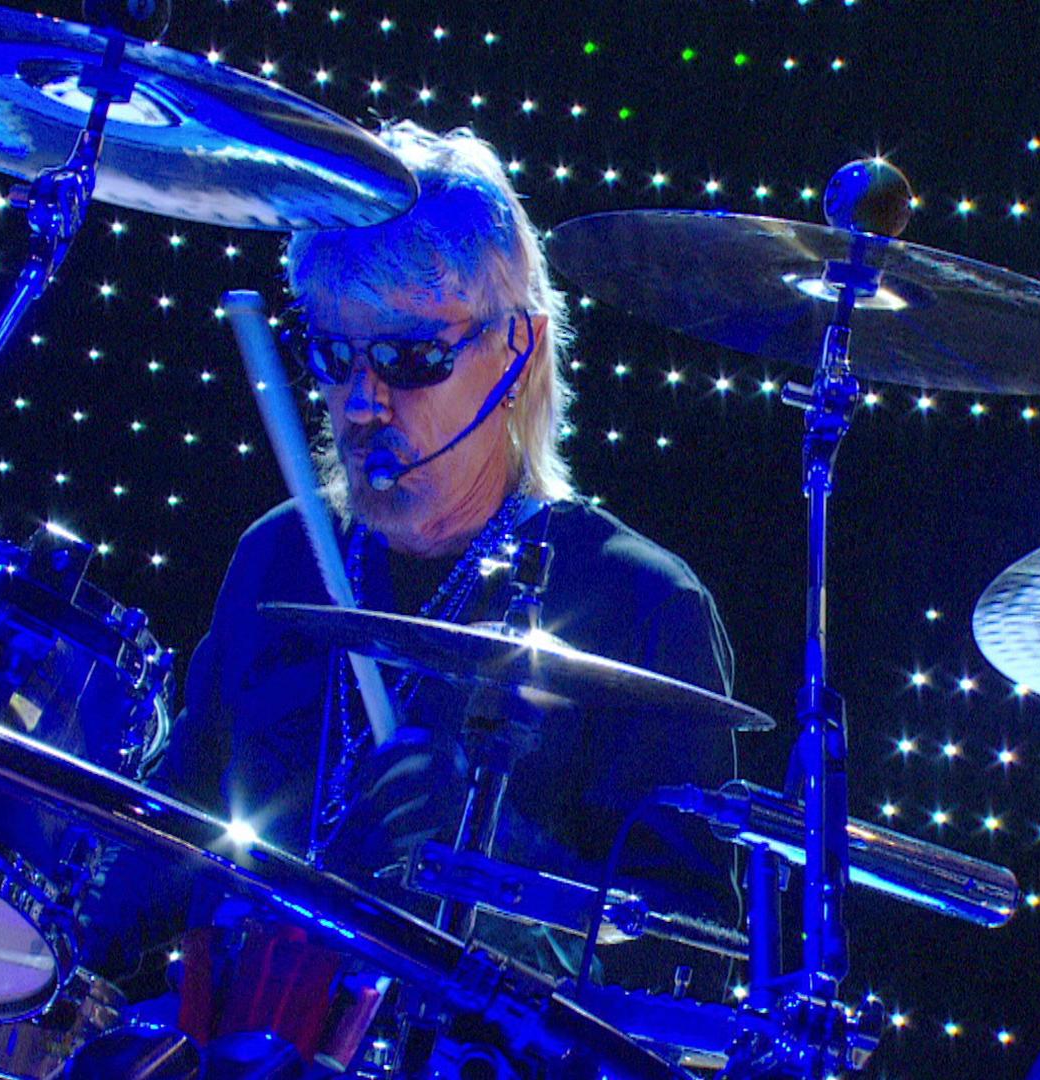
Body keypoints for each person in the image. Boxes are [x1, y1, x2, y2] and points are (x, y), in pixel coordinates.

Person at [157, 121, 741, 993]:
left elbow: (691, 960)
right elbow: (172, 841)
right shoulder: (276, 556)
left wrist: (497, 868)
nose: (361, 402)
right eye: (333, 353)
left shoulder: (639, 602)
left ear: (518, 350)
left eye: (411, 358)